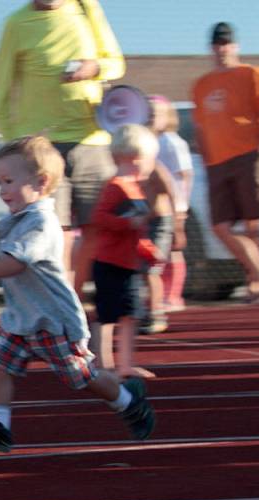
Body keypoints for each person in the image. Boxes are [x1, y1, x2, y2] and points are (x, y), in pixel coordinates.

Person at [0, 135, 155, 454]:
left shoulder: (41, 222)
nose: (2, 190)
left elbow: (15, 263)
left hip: (52, 322)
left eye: (8, 181)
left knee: (83, 376)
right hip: (23, 320)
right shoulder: (17, 218)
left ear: (41, 182)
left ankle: (129, 400)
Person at [0, 0, 125, 298]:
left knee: (94, 230)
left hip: (93, 142)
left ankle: (71, 303)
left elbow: (116, 62)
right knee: (58, 234)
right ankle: (62, 306)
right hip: (43, 149)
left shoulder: (87, 9)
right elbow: (0, 93)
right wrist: (16, 145)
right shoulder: (16, 23)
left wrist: (94, 68)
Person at [191, 21, 259, 304]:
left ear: (236, 46)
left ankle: (257, 284)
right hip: (216, 164)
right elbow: (200, 127)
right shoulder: (201, 85)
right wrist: (208, 162)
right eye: (217, 44)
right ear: (211, 48)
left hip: (248, 156)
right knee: (220, 226)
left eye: (227, 43)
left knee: (252, 225)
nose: (222, 49)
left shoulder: (254, 74)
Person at [90, 124, 162, 377]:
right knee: (107, 316)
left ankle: (124, 364)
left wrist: (149, 250)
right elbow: (99, 218)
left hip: (129, 264)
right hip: (110, 263)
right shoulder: (116, 186)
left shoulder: (136, 189)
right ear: (136, 159)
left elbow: (137, 232)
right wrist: (126, 223)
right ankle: (103, 364)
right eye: (151, 160)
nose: (153, 165)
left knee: (130, 315)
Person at [149, 95, 194, 314]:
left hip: (173, 205)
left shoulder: (172, 142)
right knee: (158, 252)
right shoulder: (147, 141)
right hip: (155, 205)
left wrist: (181, 208)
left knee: (173, 249)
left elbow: (184, 176)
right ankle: (160, 294)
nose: (151, 118)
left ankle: (173, 295)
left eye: (156, 114)